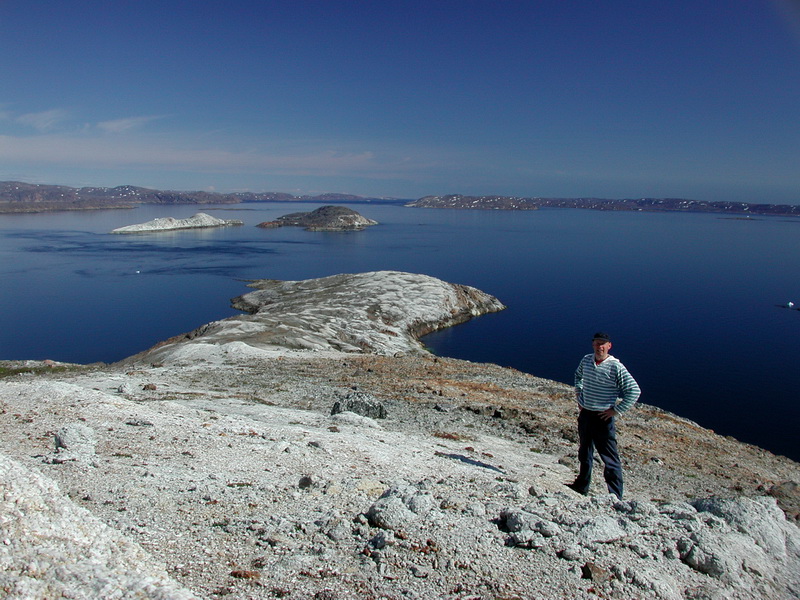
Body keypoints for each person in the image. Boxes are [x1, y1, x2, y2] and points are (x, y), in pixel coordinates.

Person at [568, 332, 640, 500]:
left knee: (610, 458)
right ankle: (581, 486)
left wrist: (617, 410)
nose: (599, 347)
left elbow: (634, 390)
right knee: (584, 452)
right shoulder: (586, 360)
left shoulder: (615, 367)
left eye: (603, 344)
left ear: (609, 346)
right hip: (586, 414)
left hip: (603, 418)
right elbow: (578, 376)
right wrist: (579, 394)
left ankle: (615, 496)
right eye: (596, 343)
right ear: (593, 345)